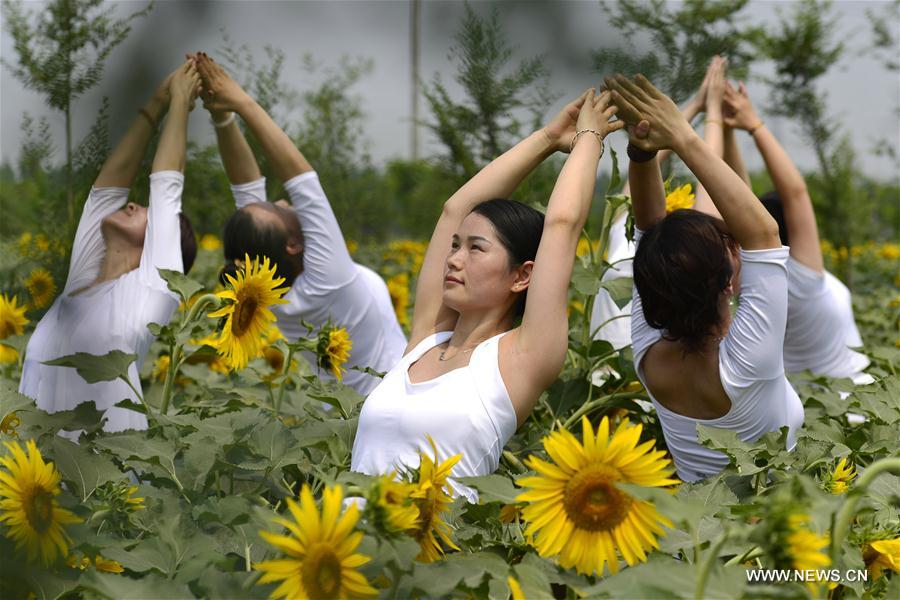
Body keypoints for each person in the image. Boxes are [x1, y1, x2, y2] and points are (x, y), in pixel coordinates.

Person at [350, 89, 624, 498]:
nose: (454, 259)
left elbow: (562, 224)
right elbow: (454, 210)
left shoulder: (519, 358)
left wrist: (590, 136)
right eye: (456, 246)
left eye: (476, 248)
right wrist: (548, 139)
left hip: (429, 557)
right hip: (345, 549)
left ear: (522, 276)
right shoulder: (427, 339)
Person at [605, 73, 803, 482]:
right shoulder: (746, 363)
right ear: (728, 283)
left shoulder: (649, 352)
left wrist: (642, 155)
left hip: (696, 542)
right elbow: (764, 234)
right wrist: (683, 138)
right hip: (767, 539)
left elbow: (648, 229)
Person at [194, 53, 406, 395]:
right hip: (391, 406)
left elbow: (247, 191)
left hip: (338, 418)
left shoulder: (275, 292)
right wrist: (244, 102)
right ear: (293, 244)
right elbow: (302, 181)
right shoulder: (326, 280)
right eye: (276, 209)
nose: (279, 201)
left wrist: (222, 117)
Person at [20, 61, 200, 436]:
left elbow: (166, 184)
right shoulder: (79, 284)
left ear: (158, 245)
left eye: (143, 213)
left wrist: (180, 102)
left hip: (106, 486)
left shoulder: (151, 292)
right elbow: (107, 189)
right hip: (39, 479)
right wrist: (156, 101)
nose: (131, 204)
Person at [711, 80, 871, 384]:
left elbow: (742, 200)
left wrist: (727, 131)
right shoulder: (801, 278)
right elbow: (795, 192)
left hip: (808, 404)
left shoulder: (754, 282)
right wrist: (754, 125)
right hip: (852, 402)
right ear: (791, 230)